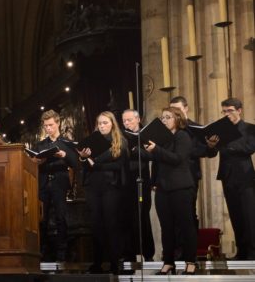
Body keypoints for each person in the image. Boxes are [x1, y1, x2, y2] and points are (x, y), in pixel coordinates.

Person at [145, 107, 198, 275]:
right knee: (166, 227)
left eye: (168, 117)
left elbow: (177, 159)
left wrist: (156, 150)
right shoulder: (160, 139)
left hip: (181, 188)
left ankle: (191, 261)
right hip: (163, 188)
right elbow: (156, 162)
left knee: (185, 226)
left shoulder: (183, 136)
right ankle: (168, 262)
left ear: (178, 118)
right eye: (162, 117)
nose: (164, 120)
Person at [78, 111, 127, 274]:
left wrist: (96, 163)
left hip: (110, 186)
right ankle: (97, 262)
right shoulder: (92, 141)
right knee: (96, 225)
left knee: (111, 224)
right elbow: (85, 166)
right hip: (93, 186)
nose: (102, 126)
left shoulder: (120, 141)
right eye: (99, 123)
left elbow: (118, 166)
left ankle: (115, 262)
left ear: (112, 123)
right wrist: (84, 158)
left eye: (105, 123)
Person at [206, 98, 255, 260]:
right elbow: (214, 150)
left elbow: (249, 148)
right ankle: (241, 250)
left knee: (249, 215)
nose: (227, 114)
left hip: (245, 177)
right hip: (228, 176)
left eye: (230, 111)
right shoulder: (221, 130)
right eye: (224, 111)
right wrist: (212, 145)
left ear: (239, 110)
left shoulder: (250, 128)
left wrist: (228, 145)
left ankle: (253, 251)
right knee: (235, 214)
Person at [32, 110, 78, 262]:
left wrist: (65, 155)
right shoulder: (40, 145)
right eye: (46, 126)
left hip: (59, 181)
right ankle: (42, 252)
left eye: (51, 125)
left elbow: (75, 163)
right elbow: (34, 163)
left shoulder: (66, 143)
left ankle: (62, 253)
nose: (48, 128)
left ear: (58, 123)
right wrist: (37, 162)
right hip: (44, 182)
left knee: (60, 217)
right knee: (42, 219)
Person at [169, 96, 215, 230]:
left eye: (177, 109)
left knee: (188, 212)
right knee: (172, 214)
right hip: (170, 176)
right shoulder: (168, 129)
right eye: (172, 110)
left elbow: (210, 153)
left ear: (186, 109)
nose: (175, 113)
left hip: (190, 175)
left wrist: (210, 147)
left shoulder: (197, 128)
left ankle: (190, 248)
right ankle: (177, 249)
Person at [120, 109, 154, 262]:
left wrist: (134, 149)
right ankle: (130, 254)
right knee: (127, 217)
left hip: (142, 179)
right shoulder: (121, 137)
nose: (127, 123)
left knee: (143, 217)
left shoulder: (146, 134)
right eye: (124, 121)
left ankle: (148, 254)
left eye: (130, 120)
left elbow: (151, 155)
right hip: (126, 180)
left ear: (138, 119)